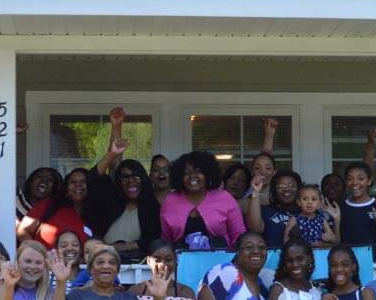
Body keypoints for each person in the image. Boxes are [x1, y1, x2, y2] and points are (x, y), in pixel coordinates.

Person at [85, 108, 162, 257]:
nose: (131, 181)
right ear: (119, 182)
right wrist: (116, 128)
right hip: (101, 260)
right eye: (125, 177)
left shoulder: (151, 206)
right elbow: (95, 177)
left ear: (144, 180)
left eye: (136, 177)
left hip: (135, 266)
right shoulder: (110, 200)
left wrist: (124, 247)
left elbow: (153, 239)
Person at [159, 151, 245, 251]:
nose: (192, 176)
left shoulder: (225, 198)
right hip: (182, 262)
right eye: (186, 173)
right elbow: (166, 240)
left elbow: (239, 236)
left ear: (207, 174)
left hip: (220, 262)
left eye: (198, 171)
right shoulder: (170, 201)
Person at [20, 167, 90, 250]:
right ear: (66, 188)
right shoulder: (50, 204)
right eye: (73, 182)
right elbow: (23, 231)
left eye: (83, 182)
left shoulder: (97, 214)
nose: (78, 185)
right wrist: (39, 254)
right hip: (45, 262)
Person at [335, 162, 376, 257]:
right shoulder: (341, 207)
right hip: (350, 263)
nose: (355, 182)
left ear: (369, 181)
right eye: (350, 179)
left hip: (375, 262)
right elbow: (338, 242)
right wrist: (336, 220)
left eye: (361, 178)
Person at [245, 170, 302, 248]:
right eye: (280, 186)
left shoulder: (307, 212)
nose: (286, 189)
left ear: (299, 189)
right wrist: (255, 191)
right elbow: (255, 230)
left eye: (292, 185)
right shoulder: (267, 211)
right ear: (274, 191)